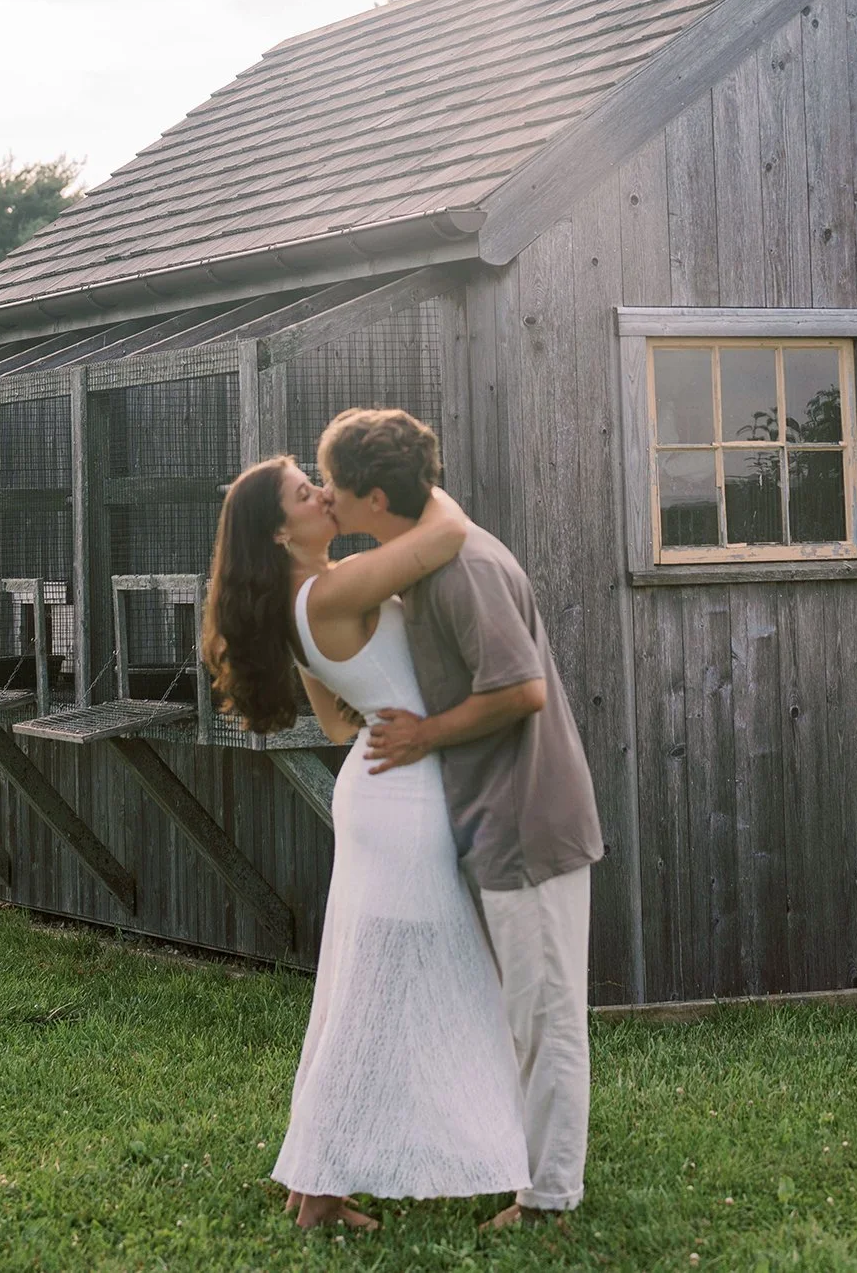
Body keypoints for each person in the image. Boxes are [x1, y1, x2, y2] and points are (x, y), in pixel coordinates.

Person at [202, 453, 529, 1232]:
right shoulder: (331, 588)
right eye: (303, 491)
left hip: (381, 789)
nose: (322, 493)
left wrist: (387, 695)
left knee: (371, 981)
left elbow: (341, 721)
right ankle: (334, 1189)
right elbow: (443, 533)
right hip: (404, 799)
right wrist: (413, 478)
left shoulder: (302, 598)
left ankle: (319, 1186)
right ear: (281, 531)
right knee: (407, 983)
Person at [318, 407, 603, 1229]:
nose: (326, 498)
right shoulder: (424, 561)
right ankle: (517, 1166)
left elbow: (522, 690)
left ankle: (549, 1201)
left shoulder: (462, 569)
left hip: (528, 821)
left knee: (545, 1018)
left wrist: (423, 735)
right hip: (486, 821)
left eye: (334, 485)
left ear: (375, 496)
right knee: (519, 1013)